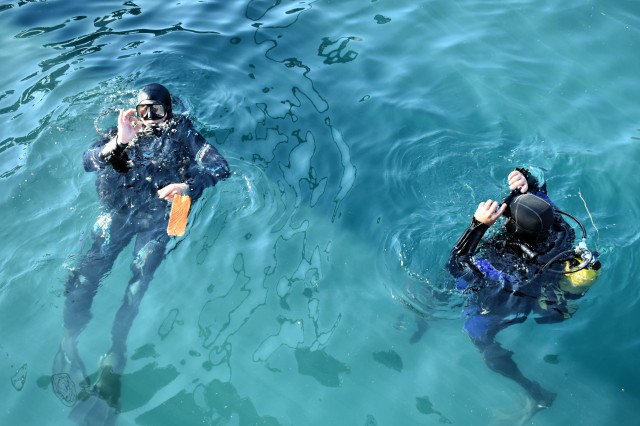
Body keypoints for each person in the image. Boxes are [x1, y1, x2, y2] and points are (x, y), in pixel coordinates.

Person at [52, 83, 230, 422]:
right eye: (143, 111)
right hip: (121, 212)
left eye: (156, 111)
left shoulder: (182, 132)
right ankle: (69, 340)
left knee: (139, 280)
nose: (149, 119)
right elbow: (88, 162)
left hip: (161, 216)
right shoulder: (123, 131)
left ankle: (115, 352)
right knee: (86, 274)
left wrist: (187, 187)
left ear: (168, 112)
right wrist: (119, 142)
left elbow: (220, 168)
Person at [447, 167, 600, 411]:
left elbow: (456, 264)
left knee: (477, 335)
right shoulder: (559, 226)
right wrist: (524, 176)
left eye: (507, 214)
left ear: (513, 227)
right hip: (542, 283)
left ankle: (535, 392)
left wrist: (477, 226)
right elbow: (539, 182)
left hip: (508, 298)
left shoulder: (499, 264)